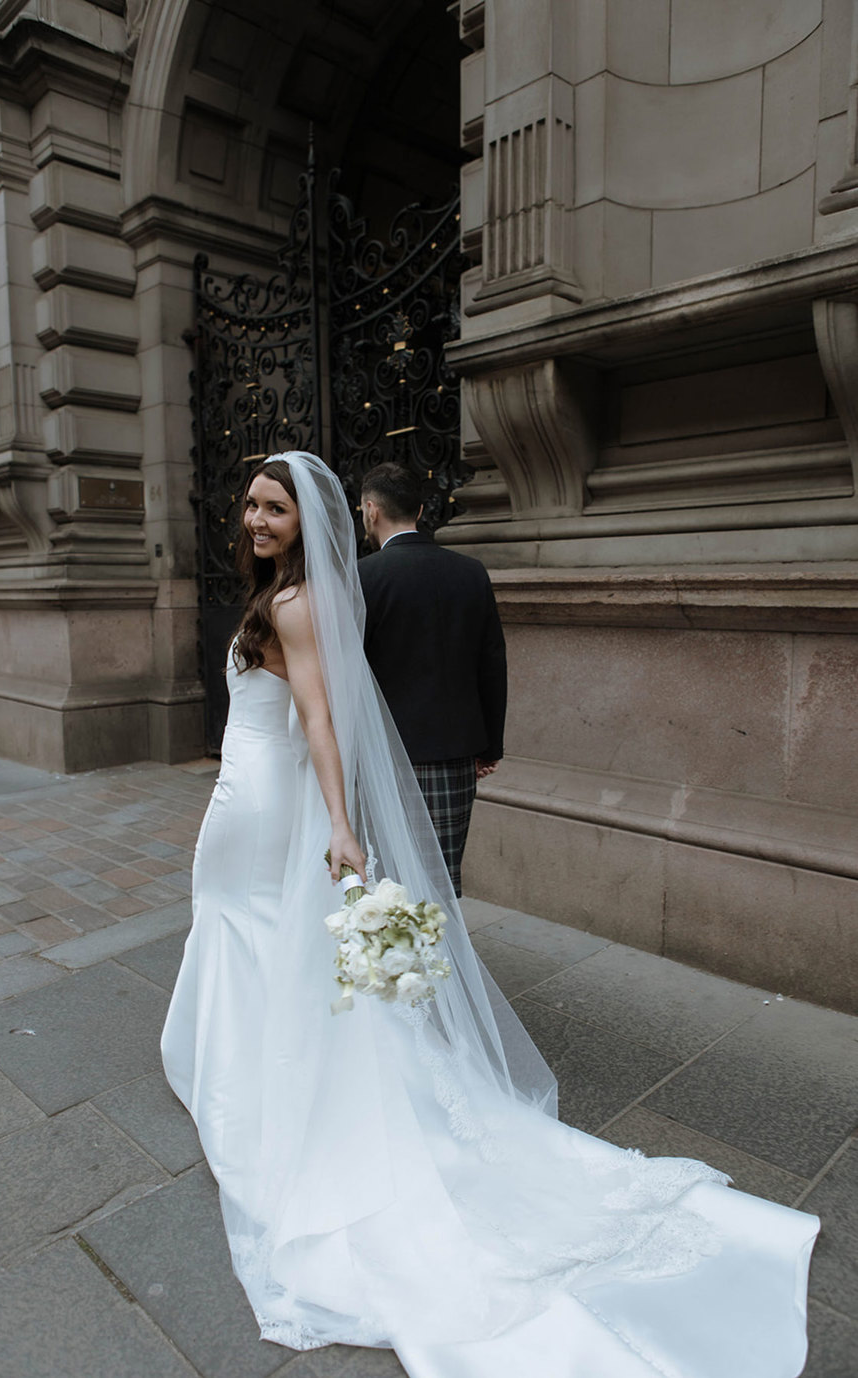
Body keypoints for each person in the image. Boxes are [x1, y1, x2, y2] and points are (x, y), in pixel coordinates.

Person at [161, 451, 818, 1378]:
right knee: (250, 929)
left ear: (312, 521)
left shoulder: (298, 603)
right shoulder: (300, 593)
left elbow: (320, 720)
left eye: (276, 509)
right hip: (249, 786)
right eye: (252, 506)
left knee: (247, 921)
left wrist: (342, 826)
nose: (259, 520)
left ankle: (260, 1070)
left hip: (265, 798)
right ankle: (253, 1049)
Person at [358, 462, 505, 896]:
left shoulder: (363, 576)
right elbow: (492, 664)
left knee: (387, 882)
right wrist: (488, 746)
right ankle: (440, 959)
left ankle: (397, 961)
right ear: (420, 511)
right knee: (440, 880)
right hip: (454, 756)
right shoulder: (470, 572)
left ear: (371, 511)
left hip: (384, 757)